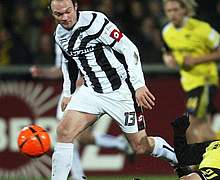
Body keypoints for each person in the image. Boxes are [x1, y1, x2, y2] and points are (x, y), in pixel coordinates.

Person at [48, 0, 178, 179]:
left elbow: (128, 47)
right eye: (58, 14)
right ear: (52, 13)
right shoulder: (60, 34)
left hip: (119, 91)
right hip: (91, 91)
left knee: (140, 146)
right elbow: (69, 63)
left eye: (68, 11)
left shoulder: (96, 22)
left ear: (76, 6)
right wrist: (68, 93)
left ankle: (176, 158)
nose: (65, 18)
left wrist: (139, 84)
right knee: (63, 131)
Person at [30, 45, 134, 180]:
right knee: (70, 134)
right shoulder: (59, 38)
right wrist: (42, 73)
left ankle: (79, 176)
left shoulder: (88, 29)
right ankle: (118, 144)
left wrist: (88, 76)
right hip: (71, 89)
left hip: (90, 87)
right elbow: (60, 69)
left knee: (69, 134)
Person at [161, 0, 220, 144]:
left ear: (184, 10)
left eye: (176, 9)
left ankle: (192, 165)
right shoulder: (167, 32)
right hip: (189, 84)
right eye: (169, 11)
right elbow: (167, 51)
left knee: (189, 127)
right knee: (205, 130)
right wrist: (167, 59)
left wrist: (196, 60)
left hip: (204, 81)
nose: (172, 14)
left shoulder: (202, 28)